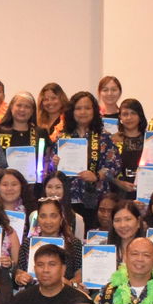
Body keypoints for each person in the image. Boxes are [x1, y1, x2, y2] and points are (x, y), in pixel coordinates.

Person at [60, 91, 122, 229]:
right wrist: (54, 164)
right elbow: (49, 169)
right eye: (78, 108)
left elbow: (115, 165)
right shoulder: (62, 138)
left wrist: (97, 175)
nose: (83, 112)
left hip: (96, 199)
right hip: (68, 197)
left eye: (87, 108)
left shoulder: (104, 137)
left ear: (94, 111)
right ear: (72, 112)